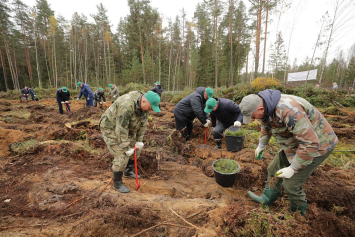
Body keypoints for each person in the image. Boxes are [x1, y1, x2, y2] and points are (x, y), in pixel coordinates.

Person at [239, 89, 338, 216]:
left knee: (291, 185)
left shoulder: (289, 110)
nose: (253, 119)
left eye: (252, 116)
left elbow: (310, 143)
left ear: (261, 109)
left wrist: (293, 168)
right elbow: (265, 125)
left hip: (319, 145)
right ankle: (267, 199)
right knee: (273, 168)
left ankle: (298, 217)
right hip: (295, 141)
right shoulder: (266, 107)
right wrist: (261, 145)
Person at [99, 91, 161, 193]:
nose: (150, 110)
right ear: (144, 101)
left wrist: (139, 141)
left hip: (127, 127)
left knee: (136, 150)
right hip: (111, 127)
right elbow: (120, 128)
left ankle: (128, 171)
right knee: (122, 154)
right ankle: (117, 182)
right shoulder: (126, 105)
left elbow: (143, 125)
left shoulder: (144, 107)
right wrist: (125, 147)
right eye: (150, 107)